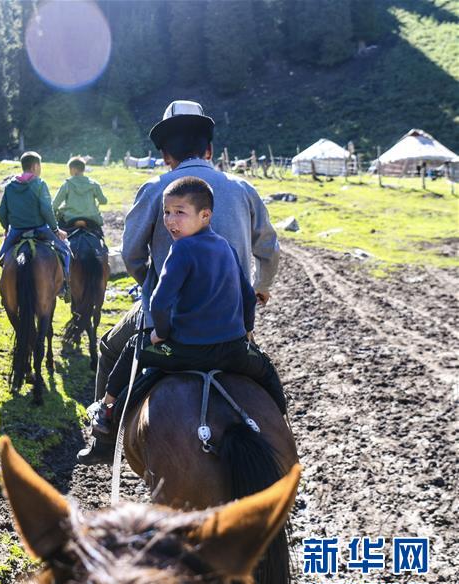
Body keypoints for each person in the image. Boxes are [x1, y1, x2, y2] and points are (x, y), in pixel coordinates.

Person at [79, 100, 280, 462]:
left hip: (171, 320)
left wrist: (153, 286)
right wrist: (259, 288)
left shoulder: (157, 189)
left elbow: (132, 255)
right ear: (210, 149)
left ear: (166, 155)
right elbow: (269, 249)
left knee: (111, 348)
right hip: (230, 320)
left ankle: (104, 438)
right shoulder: (243, 188)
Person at [89, 177, 286, 436]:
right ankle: (281, 422)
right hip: (233, 351)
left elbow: (160, 301)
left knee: (131, 348)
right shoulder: (225, 247)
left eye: (180, 213)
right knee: (268, 371)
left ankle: (107, 408)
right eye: (167, 212)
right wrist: (247, 331)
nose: (170, 221)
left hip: (184, 351)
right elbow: (248, 296)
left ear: (205, 215)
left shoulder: (181, 249)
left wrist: (160, 331)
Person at [0, 151, 71, 297]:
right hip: (40, 229)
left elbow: (1, 212)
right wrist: (56, 229)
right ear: (35, 166)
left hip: (17, 230)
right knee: (66, 251)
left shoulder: (10, 186)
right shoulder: (39, 184)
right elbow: (46, 209)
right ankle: (64, 286)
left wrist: (6, 228)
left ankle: (7, 290)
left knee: (2, 256)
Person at [52, 156, 108, 236]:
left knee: (59, 235)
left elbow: (54, 205)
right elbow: (103, 201)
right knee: (100, 235)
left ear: (73, 169)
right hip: (91, 219)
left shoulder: (67, 184)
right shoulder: (94, 184)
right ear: (83, 169)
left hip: (70, 219)